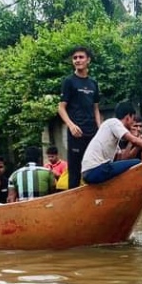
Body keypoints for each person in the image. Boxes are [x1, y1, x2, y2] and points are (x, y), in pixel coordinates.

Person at [82, 102, 142, 185]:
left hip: (90, 172)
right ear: (128, 117)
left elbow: (123, 159)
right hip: (95, 170)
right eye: (133, 119)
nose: (133, 123)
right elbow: (134, 140)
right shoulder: (114, 122)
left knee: (134, 163)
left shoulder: (112, 136)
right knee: (138, 163)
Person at [58, 46, 101, 188]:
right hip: (76, 134)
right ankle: (73, 205)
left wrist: (99, 128)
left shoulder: (93, 83)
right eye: (75, 58)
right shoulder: (69, 81)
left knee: (94, 168)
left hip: (92, 132)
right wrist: (71, 125)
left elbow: (95, 108)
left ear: (88, 60)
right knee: (75, 171)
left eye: (81, 57)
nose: (77, 60)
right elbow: (61, 107)